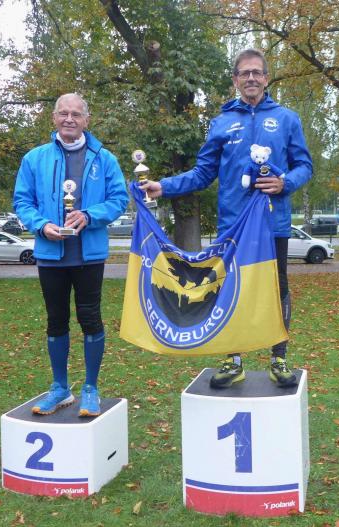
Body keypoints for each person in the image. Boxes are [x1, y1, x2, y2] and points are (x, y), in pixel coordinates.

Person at [139, 48, 313, 388]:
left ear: (266, 78)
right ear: (235, 80)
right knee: (228, 288)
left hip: (272, 224)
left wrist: (285, 183)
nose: (251, 78)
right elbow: (203, 173)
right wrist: (164, 186)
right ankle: (233, 362)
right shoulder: (220, 122)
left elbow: (304, 166)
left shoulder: (287, 118)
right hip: (232, 226)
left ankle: (279, 358)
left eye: (257, 72)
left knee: (277, 289)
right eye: (244, 73)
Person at [13, 93, 128, 416]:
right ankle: (60, 388)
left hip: (89, 256)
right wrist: (41, 225)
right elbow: (22, 201)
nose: (69, 119)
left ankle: (91, 388)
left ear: (86, 120)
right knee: (55, 321)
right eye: (63, 113)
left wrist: (89, 216)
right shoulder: (34, 158)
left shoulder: (105, 159)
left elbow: (119, 200)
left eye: (76, 114)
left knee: (90, 319)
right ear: (53, 118)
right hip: (51, 254)